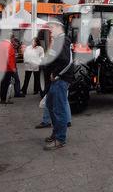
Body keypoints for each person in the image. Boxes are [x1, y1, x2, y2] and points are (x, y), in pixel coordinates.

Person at [43, 19, 74, 150]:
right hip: (57, 80)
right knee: (50, 105)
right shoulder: (59, 40)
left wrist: (56, 74)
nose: (50, 31)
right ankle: (56, 133)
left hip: (60, 80)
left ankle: (60, 139)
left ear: (59, 28)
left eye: (52, 28)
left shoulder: (63, 40)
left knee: (59, 109)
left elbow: (66, 61)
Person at [0, 35, 18, 104]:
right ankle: (5, 99)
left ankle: (2, 98)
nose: (13, 40)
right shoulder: (9, 46)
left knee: (2, 84)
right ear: (11, 38)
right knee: (6, 84)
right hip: (7, 69)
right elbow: (9, 59)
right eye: (13, 39)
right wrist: (13, 68)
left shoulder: (1, 44)